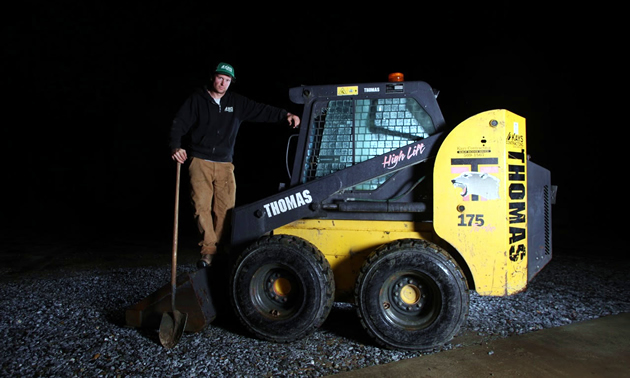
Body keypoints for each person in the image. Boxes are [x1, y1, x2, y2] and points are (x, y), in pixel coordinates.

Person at [169, 62, 300, 268]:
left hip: (224, 164)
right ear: (213, 78)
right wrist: (176, 147)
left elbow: (261, 110)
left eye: (227, 80)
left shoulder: (236, 102)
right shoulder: (197, 100)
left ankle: (220, 251)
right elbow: (179, 122)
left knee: (225, 209)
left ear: (231, 83)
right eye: (220, 78)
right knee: (200, 207)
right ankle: (208, 251)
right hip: (199, 161)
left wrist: (285, 115)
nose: (223, 83)